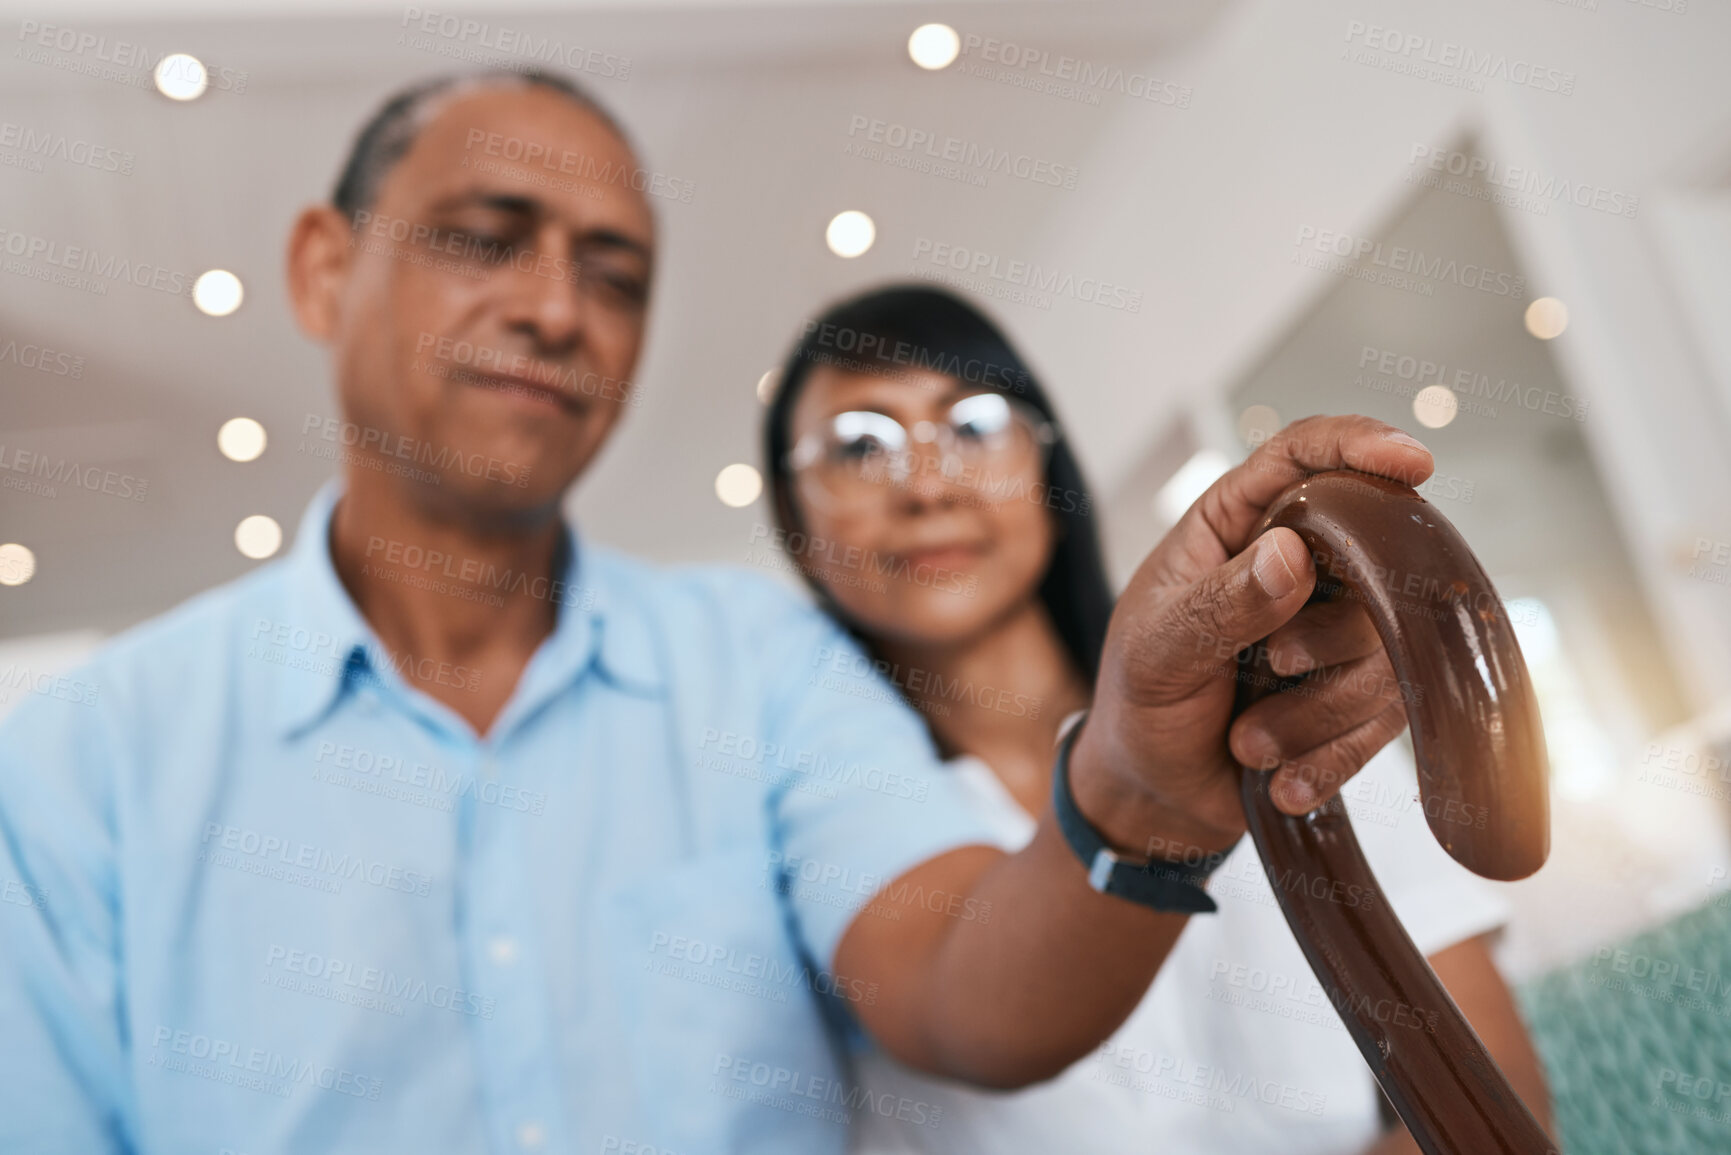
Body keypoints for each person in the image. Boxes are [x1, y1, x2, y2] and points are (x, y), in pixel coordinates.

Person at [0, 71, 1427, 1154]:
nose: (558, 307)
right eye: (486, 239)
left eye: (613, 274)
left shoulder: (763, 667)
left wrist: (1132, 787)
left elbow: (958, 987)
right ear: (325, 265)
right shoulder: (78, 763)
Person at [761, 285, 1553, 1155]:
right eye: (858, 447)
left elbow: (1490, 1101)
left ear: (1043, 464)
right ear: (796, 526)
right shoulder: (826, 823)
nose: (925, 485)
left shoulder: (1287, 705)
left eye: (973, 425)